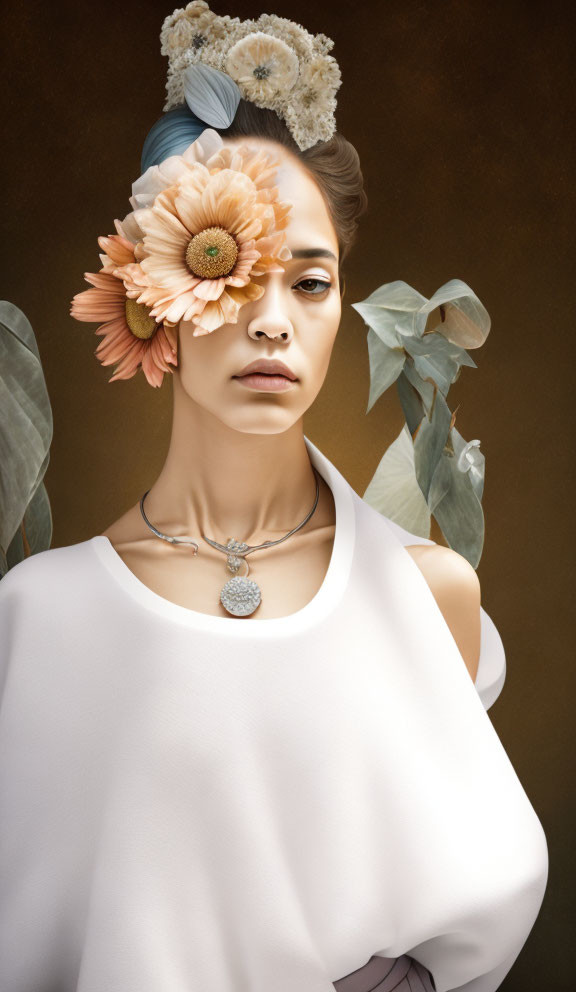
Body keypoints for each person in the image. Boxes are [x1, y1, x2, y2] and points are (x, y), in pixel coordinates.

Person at [0, 4, 548, 992]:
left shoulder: (428, 593)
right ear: (152, 287)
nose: (269, 320)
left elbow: (484, 893)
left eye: (309, 279)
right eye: (229, 263)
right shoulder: (41, 617)